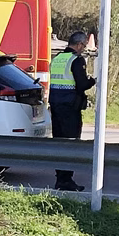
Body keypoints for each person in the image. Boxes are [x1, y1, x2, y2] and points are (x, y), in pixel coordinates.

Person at [49, 31, 96, 192]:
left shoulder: (57, 59)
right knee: (71, 143)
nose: (83, 49)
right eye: (83, 46)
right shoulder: (76, 59)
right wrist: (92, 81)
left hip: (56, 106)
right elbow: (81, 84)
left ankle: (60, 178)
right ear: (79, 44)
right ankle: (66, 180)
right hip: (70, 108)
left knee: (59, 142)